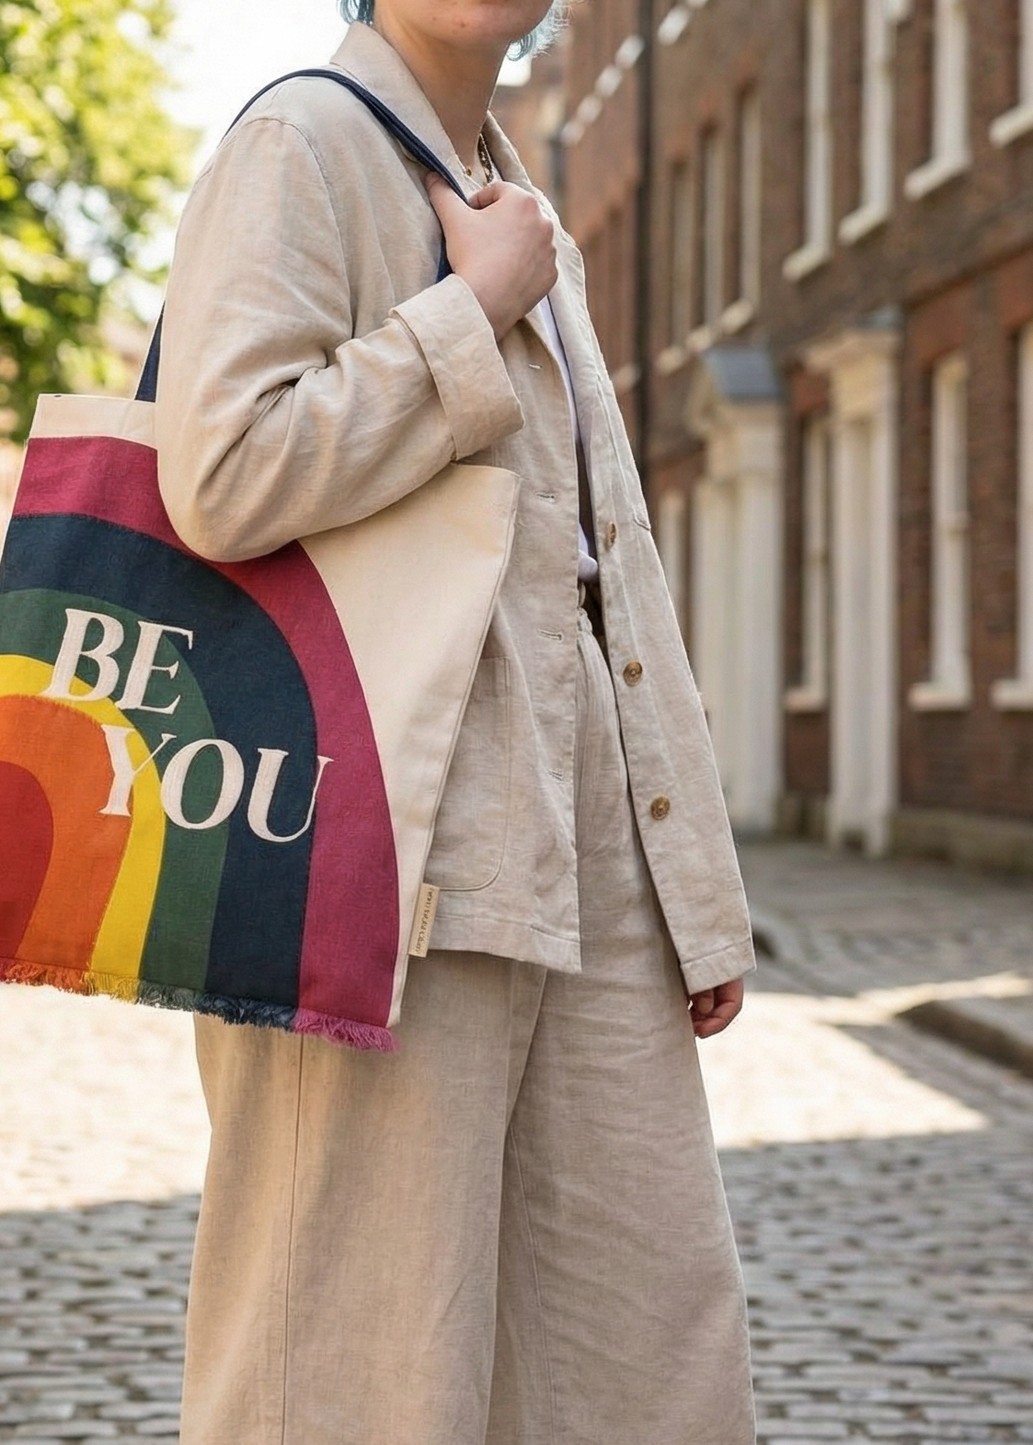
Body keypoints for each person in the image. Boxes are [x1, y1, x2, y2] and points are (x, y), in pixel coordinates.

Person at [154, 3, 758, 1441]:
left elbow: (607, 567)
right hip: (374, 862)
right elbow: (223, 473)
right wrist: (467, 311)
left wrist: (687, 896)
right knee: (354, 1376)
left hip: (577, 864)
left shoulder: (515, 203)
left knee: (644, 1367)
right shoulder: (296, 143)